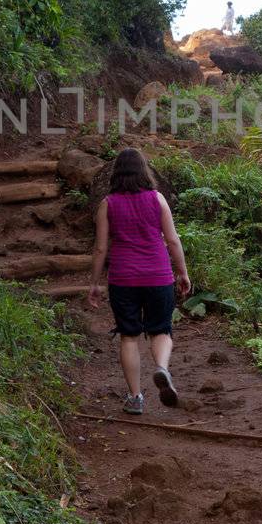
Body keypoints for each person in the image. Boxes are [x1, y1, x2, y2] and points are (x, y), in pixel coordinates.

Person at [88, 148, 192, 415]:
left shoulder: (107, 204)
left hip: (123, 279)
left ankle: (135, 398)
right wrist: (182, 272)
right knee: (161, 330)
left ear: (116, 174)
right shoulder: (157, 199)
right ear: (144, 171)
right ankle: (161, 368)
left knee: (129, 337)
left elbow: (101, 248)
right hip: (158, 276)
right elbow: (172, 240)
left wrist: (95, 283)